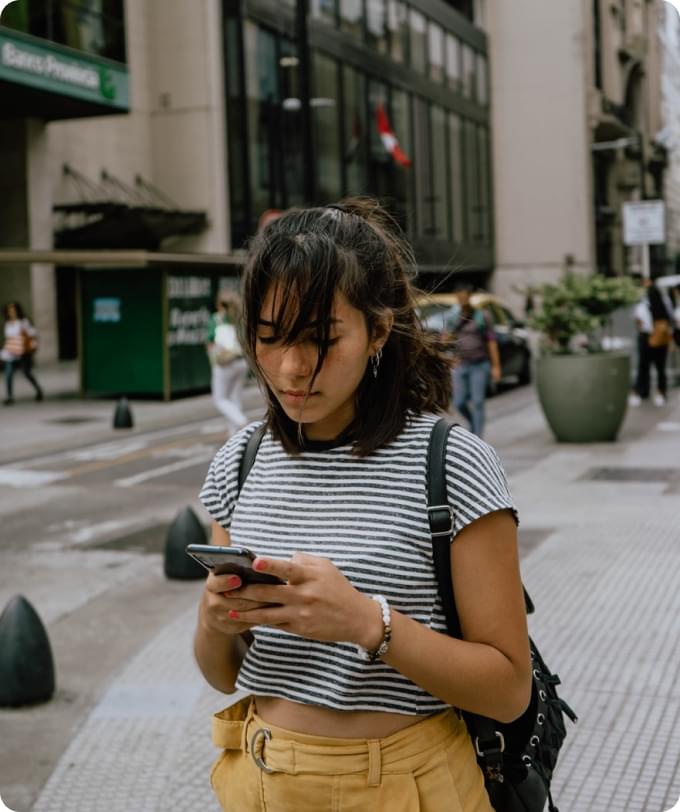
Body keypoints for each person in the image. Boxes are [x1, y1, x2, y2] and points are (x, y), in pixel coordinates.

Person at [194, 199, 531, 812]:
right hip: (258, 780)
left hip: (407, 787)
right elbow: (223, 673)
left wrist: (366, 623)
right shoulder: (240, 461)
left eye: (322, 340)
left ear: (378, 330)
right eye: (269, 339)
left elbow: (509, 689)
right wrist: (214, 621)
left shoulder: (452, 463)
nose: (291, 368)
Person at [443, 285, 501, 437]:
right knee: (459, 402)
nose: (461, 300)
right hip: (461, 364)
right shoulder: (453, 316)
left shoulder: (481, 316)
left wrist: (496, 366)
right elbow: (446, 340)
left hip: (479, 364)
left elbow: (491, 341)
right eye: (459, 297)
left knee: (478, 402)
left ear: (469, 297)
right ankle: (473, 425)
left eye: (464, 297)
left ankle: (477, 436)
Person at [207, 290, 249, 434]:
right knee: (235, 398)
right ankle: (235, 436)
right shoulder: (240, 319)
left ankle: (241, 421)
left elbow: (210, 340)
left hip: (224, 363)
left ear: (220, 303)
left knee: (220, 399)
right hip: (242, 362)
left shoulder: (216, 319)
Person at [630, 279, 674, 407]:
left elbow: (638, 319)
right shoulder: (652, 300)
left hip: (653, 335)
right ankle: (650, 391)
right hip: (652, 335)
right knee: (651, 366)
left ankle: (655, 392)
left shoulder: (648, 300)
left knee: (651, 366)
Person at [1, 301, 43, 405]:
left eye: (13, 310)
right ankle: (9, 396)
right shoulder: (7, 324)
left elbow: (33, 334)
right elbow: (8, 338)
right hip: (11, 353)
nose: (12, 313)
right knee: (8, 374)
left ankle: (38, 390)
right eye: (10, 311)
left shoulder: (24, 322)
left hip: (23, 352)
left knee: (26, 373)